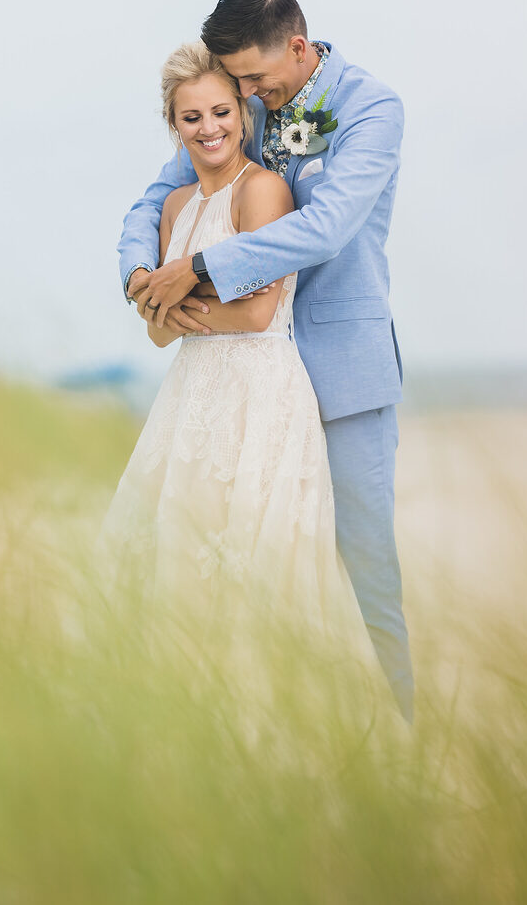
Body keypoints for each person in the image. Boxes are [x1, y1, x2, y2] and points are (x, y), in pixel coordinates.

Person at [116, 0, 415, 723]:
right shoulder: (243, 105)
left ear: (299, 48)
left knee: (363, 567)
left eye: (254, 80)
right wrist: (138, 277)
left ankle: (399, 742)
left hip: (339, 369)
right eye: (237, 83)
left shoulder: (371, 110)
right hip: (245, 386)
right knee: (247, 558)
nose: (246, 97)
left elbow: (330, 227)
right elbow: (152, 203)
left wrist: (205, 270)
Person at [100, 42, 363, 663]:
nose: (209, 129)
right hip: (191, 399)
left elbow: (259, 311)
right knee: (179, 560)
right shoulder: (173, 207)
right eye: (192, 118)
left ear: (243, 115)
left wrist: (182, 307)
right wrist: (175, 310)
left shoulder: (264, 191)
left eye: (221, 112)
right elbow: (155, 331)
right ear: (175, 125)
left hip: (259, 392)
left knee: (249, 561)